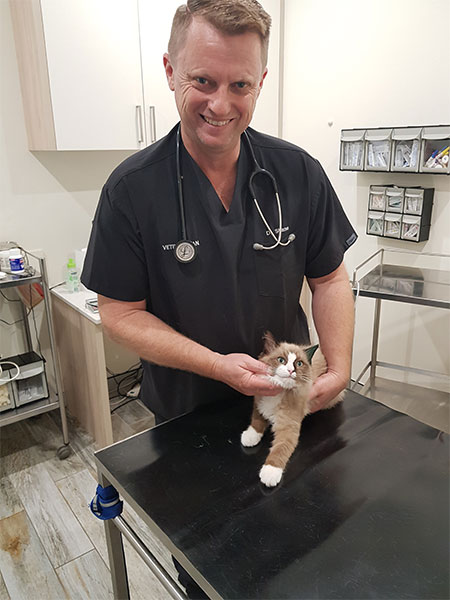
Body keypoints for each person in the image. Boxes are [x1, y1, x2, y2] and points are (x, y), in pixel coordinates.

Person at [82, 1, 357, 595]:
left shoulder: (297, 172)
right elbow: (119, 315)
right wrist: (215, 365)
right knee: (210, 575)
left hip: (291, 407)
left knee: (302, 558)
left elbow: (331, 278)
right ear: (169, 71)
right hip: (188, 423)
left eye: (240, 85)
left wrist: (338, 366)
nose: (221, 104)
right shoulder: (131, 191)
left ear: (261, 81)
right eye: (202, 81)